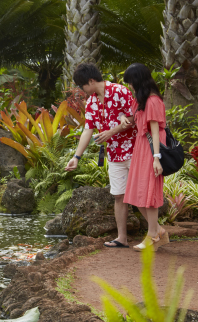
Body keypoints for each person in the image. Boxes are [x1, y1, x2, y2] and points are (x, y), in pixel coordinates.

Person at [65, 63, 138, 248]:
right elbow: (87, 130)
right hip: (113, 154)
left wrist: (112, 132)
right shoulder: (92, 102)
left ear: (91, 81)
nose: (82, 91)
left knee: (138, 193)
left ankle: (156, 232)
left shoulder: (120, 91)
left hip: (134, 150)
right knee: (118, 195)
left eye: (82, 86)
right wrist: (76, 157)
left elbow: (134, 118)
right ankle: (122, 238)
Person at [121, 63, 169, 251]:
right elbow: (134, 119)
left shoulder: (153, 101)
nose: (130, 85)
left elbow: (156, 132)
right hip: (142, 147)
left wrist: (156, 158)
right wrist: (124, 119)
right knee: (136, 193)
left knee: (148, 193)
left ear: (138, 80)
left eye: (131, 81)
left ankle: (153, 235)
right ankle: (158, 233)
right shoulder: (141, 100)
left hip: (151, 148)